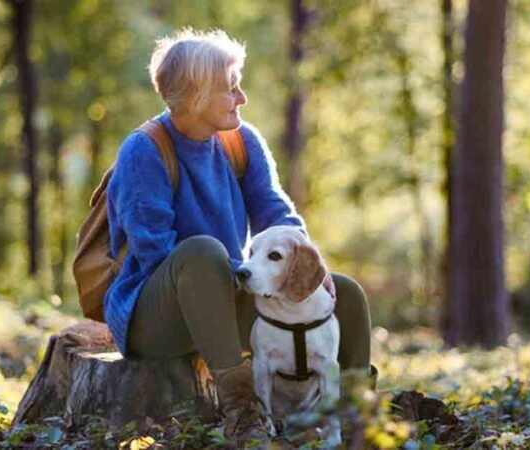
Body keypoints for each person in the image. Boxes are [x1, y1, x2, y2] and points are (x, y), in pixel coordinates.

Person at [104, 28, 373, 445]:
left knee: (346, 293)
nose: (242, 98)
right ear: (196, 94)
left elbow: (276, 212)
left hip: (230, 293)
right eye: (231, 88)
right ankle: (242, 413)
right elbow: (155, 252)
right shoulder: (144, 151)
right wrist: (242, 272)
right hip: (156, 314)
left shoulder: (241, 141)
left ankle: (354, 419)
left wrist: (306, 264)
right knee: (202, 253)